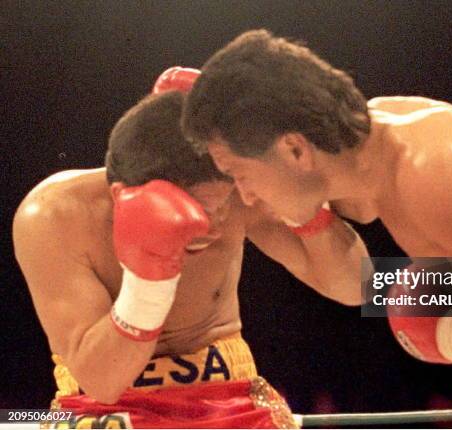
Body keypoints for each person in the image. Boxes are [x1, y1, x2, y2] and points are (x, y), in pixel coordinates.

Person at [182, 30, 452, 428]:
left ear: (294, 149)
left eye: (238, 173)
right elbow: (363, 288)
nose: (247, 195)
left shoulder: (430, 171)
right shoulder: (366, 154)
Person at [12, 68, 369, 428]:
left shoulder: (241, 191)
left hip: (229, 396)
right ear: (130, 194)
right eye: (200, 209)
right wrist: (150, 274)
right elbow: (103, 383)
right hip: (104, 407)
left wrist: (306, 209)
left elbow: (359, 287)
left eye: (222, 205)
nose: (212, 225)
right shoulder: (55, 216)